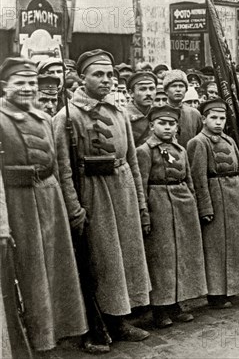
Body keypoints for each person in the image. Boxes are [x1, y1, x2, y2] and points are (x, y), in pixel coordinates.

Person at [53, 50, 152, 349]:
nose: (106, 80)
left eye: (109, 75)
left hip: (121, 190)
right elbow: (63, 169)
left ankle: (120, 320)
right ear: (82, 78)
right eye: (98, 74)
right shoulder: (66, 117)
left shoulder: (119, 112)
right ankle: (95, 324)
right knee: (102, 261)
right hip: (93, 194)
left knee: (125, 257)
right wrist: (74, 209)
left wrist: (140, 202)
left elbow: (132, 161)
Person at [0, 57, 88, 353]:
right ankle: (36, 341)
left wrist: (67, 203)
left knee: (55, 267)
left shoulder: (44, 118)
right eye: (20, 83)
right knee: (30, 271)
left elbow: (60, 164)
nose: (27, 88)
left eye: (31, 83)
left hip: (50, 198)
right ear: (4, 87)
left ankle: (58, 334)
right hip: (18, 201)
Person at [136, 105, 206, 328]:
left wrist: (193, 203)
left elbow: (189, 179)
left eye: (171, 124)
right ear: (151, 126)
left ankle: (177, 304)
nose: (167, 128)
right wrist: (145, 214)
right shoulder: (144, 151)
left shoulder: (181, 150)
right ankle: (160, 308)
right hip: (159, 205)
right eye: (162, 123)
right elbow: (141, 185)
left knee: (181, 256)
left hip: (182, 204)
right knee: (162, 259)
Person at [187, 98, 239, 308]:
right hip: (217, 198)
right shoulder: (198, 142)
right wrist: (205, 206)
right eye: (213, 118)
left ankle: (233, 287)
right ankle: (216, 294)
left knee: (236, 245)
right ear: (203, 119)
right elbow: (198, 177)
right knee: (217, 248)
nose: (218, 122)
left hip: (234, 195)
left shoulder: (229, 140)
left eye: (222, 118)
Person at [162, 70, 202, 147]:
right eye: (174, 86)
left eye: (181, 86)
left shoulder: (194, 114)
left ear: (186, 90)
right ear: (166, 90)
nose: (178, 89)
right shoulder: (158, 113)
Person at [125, 72, 158, 147]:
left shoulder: (159, 114)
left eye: (152, 89)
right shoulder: (123, 116)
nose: (148, 93)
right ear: (131, 93)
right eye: (142, 89)